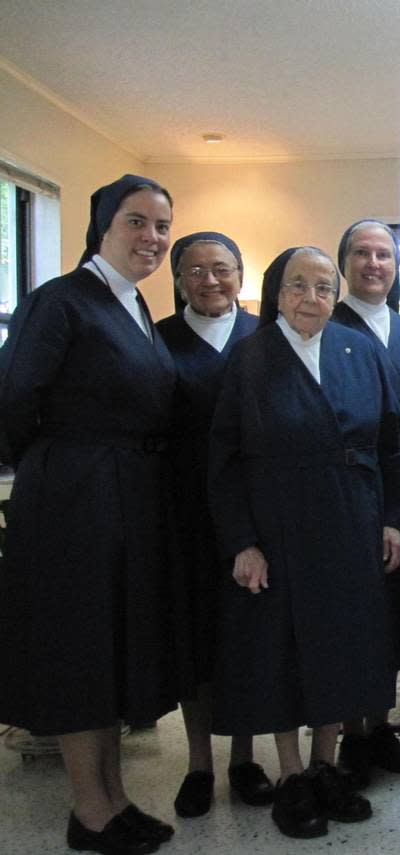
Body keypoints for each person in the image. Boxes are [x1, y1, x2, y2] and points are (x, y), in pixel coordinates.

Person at [0, 174, 180, 854]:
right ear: (102, 224)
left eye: (162, 226)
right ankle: (90, 811)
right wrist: (59, 467)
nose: (153, 237)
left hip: (123, 491)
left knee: (110, 648)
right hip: (74, 497)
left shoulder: (130, 303)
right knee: (80, 649)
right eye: (138, 222)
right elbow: (15, 395)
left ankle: (113, 796)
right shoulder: (62, 299)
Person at [209, 246, 400, 839]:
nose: (312, 298)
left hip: (352, 521)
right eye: (299, 286)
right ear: (277, 292)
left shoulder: (359, 350)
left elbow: (394, 442)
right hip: (278, 526)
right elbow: (221, 461)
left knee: (341, 646)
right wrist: (242, 542)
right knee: (284, 650)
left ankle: (327, 766)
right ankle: (293, 777)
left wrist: (392, 518)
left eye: (324, 288)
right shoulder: (249, 358)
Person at [155, 232, 272, 818]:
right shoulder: (157, 340)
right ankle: (199, 764)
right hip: (186, 517)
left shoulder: (264, 338)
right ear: (176, 279)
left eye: (221, 269)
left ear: (240, 275)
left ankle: (244, 760)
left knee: (247, 639)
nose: (209, 281)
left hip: (257, 518)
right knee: (193, 641)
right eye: (194, 270)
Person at [330, 219, 400, 785]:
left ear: (396, 268)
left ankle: (381, 725)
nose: (373, 264)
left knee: (396, 619)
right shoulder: (327, 327)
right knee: (356, 620)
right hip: (353, 500)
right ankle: (353, 734)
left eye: (384, 255)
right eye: (362, 253)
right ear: (344, 263)